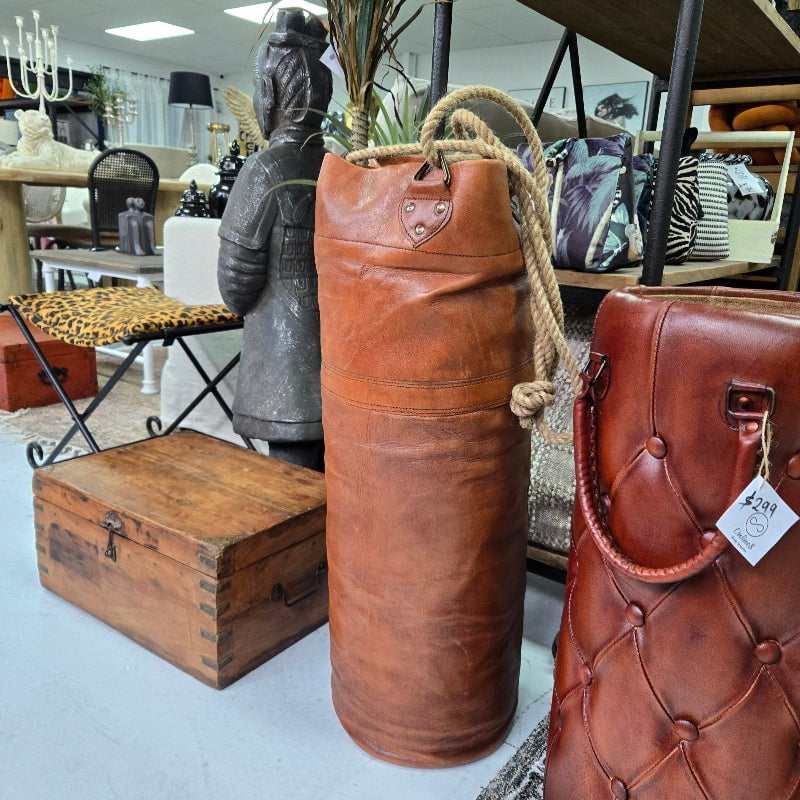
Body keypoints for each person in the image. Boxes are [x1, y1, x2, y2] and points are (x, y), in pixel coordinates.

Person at [217, 10, 332, 471]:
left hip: (284, 367)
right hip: (337, 361)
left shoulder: (263, 169)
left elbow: (236, 281)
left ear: (269, 95)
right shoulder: (339, 166)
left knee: (293, 489)